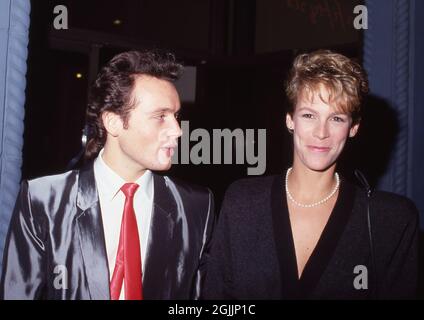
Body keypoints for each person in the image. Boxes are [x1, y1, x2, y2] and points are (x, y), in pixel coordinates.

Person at [202, 50, 419, 299]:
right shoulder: (242, 201)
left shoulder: (390, 220)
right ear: (289, 120)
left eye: (336, 118)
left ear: (353, 128)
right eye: (309, 115)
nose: (321, 132)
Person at [0, 50, 215, 300]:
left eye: (176, 116)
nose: (177, 130)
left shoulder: (196, 206)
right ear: (113, 122)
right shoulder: (43, 201)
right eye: (160, 117)